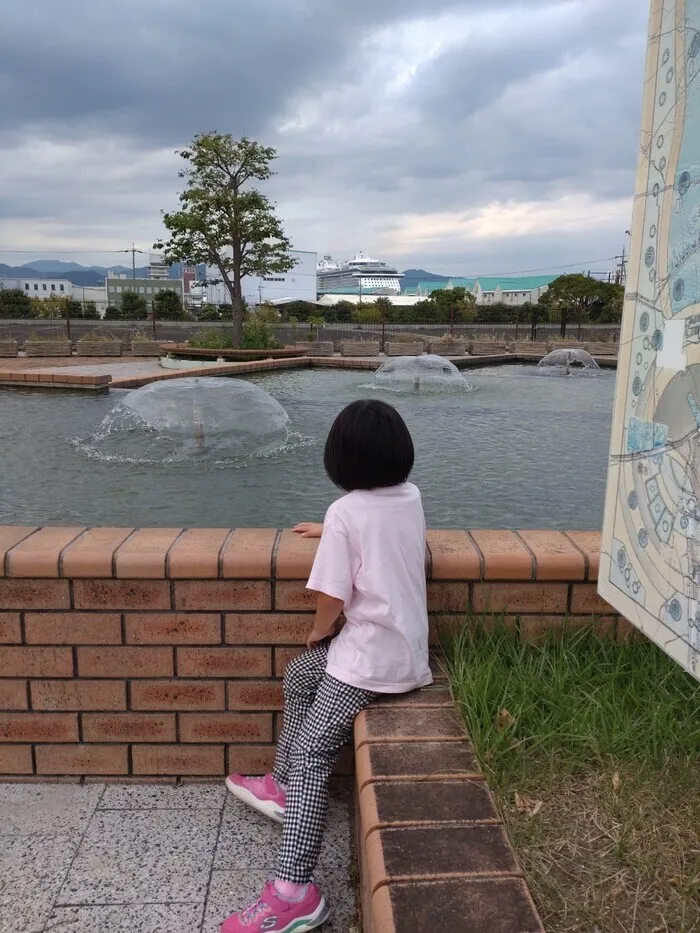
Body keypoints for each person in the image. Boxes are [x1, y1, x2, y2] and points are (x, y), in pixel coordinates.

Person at [221, 399, 432, 933]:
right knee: (299, 676)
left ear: (340, 461)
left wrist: (319, 632)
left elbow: (331, 597)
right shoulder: (408, 497)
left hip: (367, 662)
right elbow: (374, 531)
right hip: (403, 649)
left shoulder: (347, 514)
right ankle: (280, 784)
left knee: (315, 750)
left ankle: (293, 891)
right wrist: (332, 528)